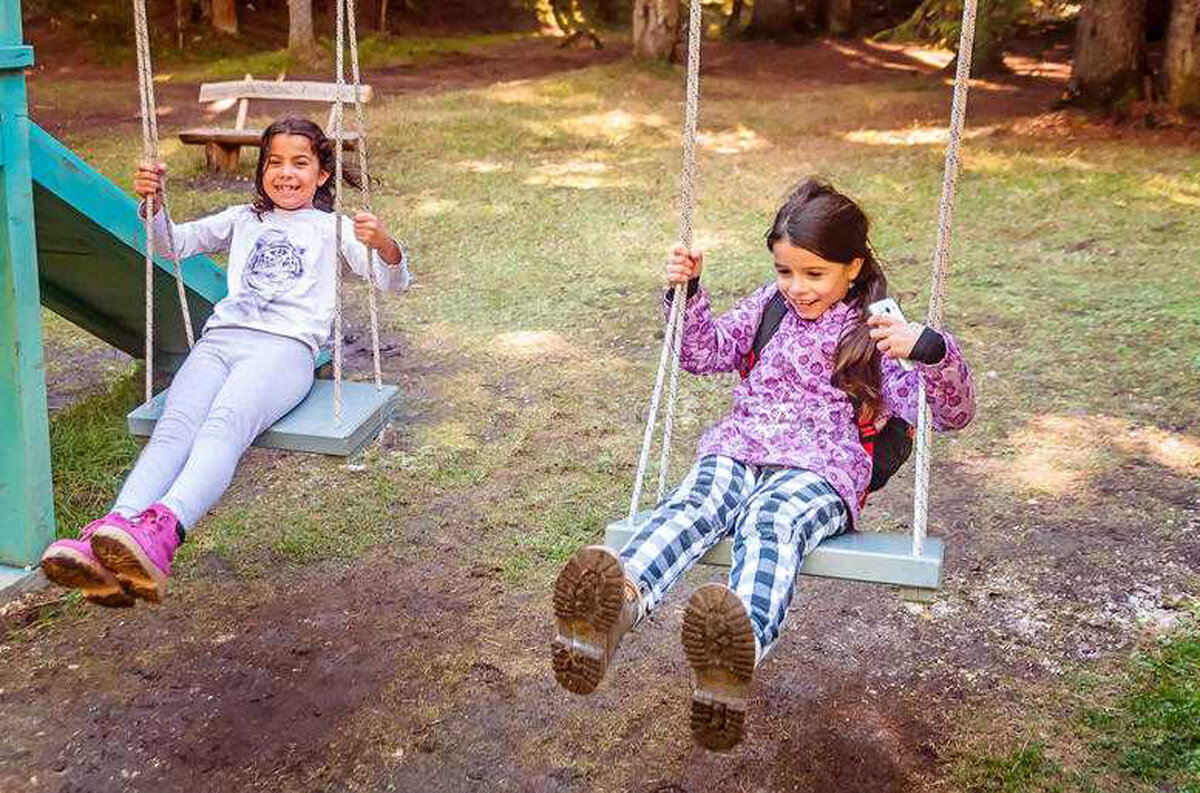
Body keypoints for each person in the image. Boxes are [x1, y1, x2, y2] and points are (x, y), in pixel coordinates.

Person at [550, 179, 975, 751]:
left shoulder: (879, 330)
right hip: (739, 447)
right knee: (695, 503)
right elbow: (703, 354)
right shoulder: (769, 305)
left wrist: (930, 350)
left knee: (771, 524)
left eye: (814, 274)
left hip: (819, 469)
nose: (797, 288)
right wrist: (689, 293)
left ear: (852, 267)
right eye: (785, 271)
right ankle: (612, 610)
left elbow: (951, 416)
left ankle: (733, 651)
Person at [40, 117, 410, 608]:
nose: (285, 172)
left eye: (300, 163)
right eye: (274, 162)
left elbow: (392, 281)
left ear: (322, 175)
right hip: (220, 341)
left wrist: (382, 242)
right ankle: (111, 533)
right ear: (262, 170)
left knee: (222, 426)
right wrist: (152, 206)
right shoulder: (242, 219)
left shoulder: (334, 228)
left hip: (284, 349)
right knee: (175, 426)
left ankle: (165, 530)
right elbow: (171, 245)